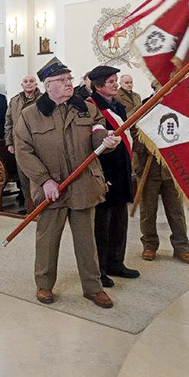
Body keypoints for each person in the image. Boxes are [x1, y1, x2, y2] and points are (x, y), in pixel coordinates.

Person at [14, 57, 119, 309]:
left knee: (86, 241)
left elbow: (97, 132)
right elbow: (23, 152)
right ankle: (44, 285)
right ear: (48, 86)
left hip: (83, 185)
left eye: (69, 79)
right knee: (48, 240)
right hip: (52, 189)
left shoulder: (86, 108)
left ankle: (93, 287)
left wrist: (106, 141)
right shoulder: (30, 115)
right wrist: (45, 180)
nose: (68, 84)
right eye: (62, 80)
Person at [88, 65, 139, 288]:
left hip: (121, 168)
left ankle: (117, 262)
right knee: (102, 224)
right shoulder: (91, 107)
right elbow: (91, 143)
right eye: (111, 81)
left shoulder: (118, 104)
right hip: (105, 171)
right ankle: (100, 269)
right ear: (98, 85)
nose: (115, 84)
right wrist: (101, 176)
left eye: (116, 80)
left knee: (120, 220)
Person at [5, 74, 42, 213]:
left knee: (37, 178)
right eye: (25, 81)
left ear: (36, 84)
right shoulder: (14, 101)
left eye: (31, 81)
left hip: (38, 145)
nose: (28, 83)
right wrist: (9, 142)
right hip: (19, 145)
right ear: (22, 85)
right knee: (24, 180)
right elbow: (8, 123)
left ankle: (40, 209)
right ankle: (30, 209)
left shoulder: (43, 99)